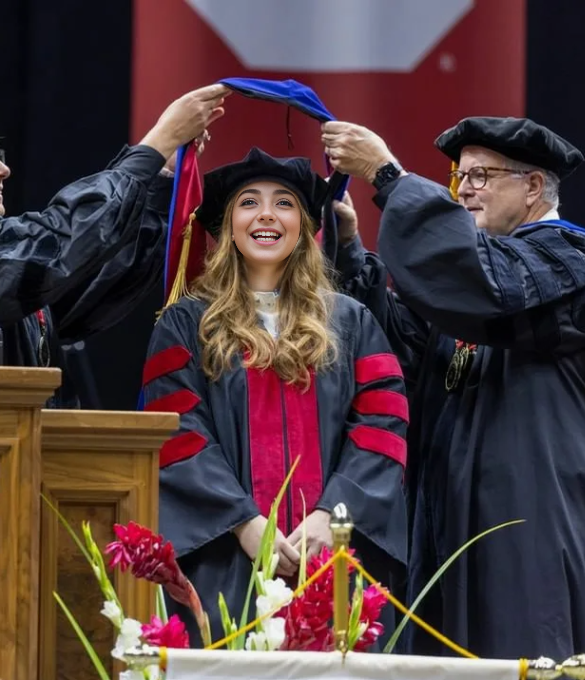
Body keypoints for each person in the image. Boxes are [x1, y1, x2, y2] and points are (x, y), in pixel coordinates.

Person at [322, 116, 585, 658]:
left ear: (534, 186)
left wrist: (388, 176)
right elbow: (400, 351)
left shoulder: (569, 260)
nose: (464, 188)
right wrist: (350, 249)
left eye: (482, 175)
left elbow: (482, 282)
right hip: (453, 525)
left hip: (533, 528)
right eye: (459, 176)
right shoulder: (481, 282)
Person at [143, 147, 408, 642]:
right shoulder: (187, 325)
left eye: (284, 203)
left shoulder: (350, 322)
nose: (266, 214)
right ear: (227, 229)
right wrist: (245, 523)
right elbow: (177, 433)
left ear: (306, 227)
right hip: (227, 559)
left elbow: (381, 428)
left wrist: (333, 515)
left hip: (334, 558)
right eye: (249, 202)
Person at [0, 85, 224, 407]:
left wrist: (160, 176)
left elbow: (99, 278)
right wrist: (155, 146)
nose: (3, 169)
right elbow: (60, 243)